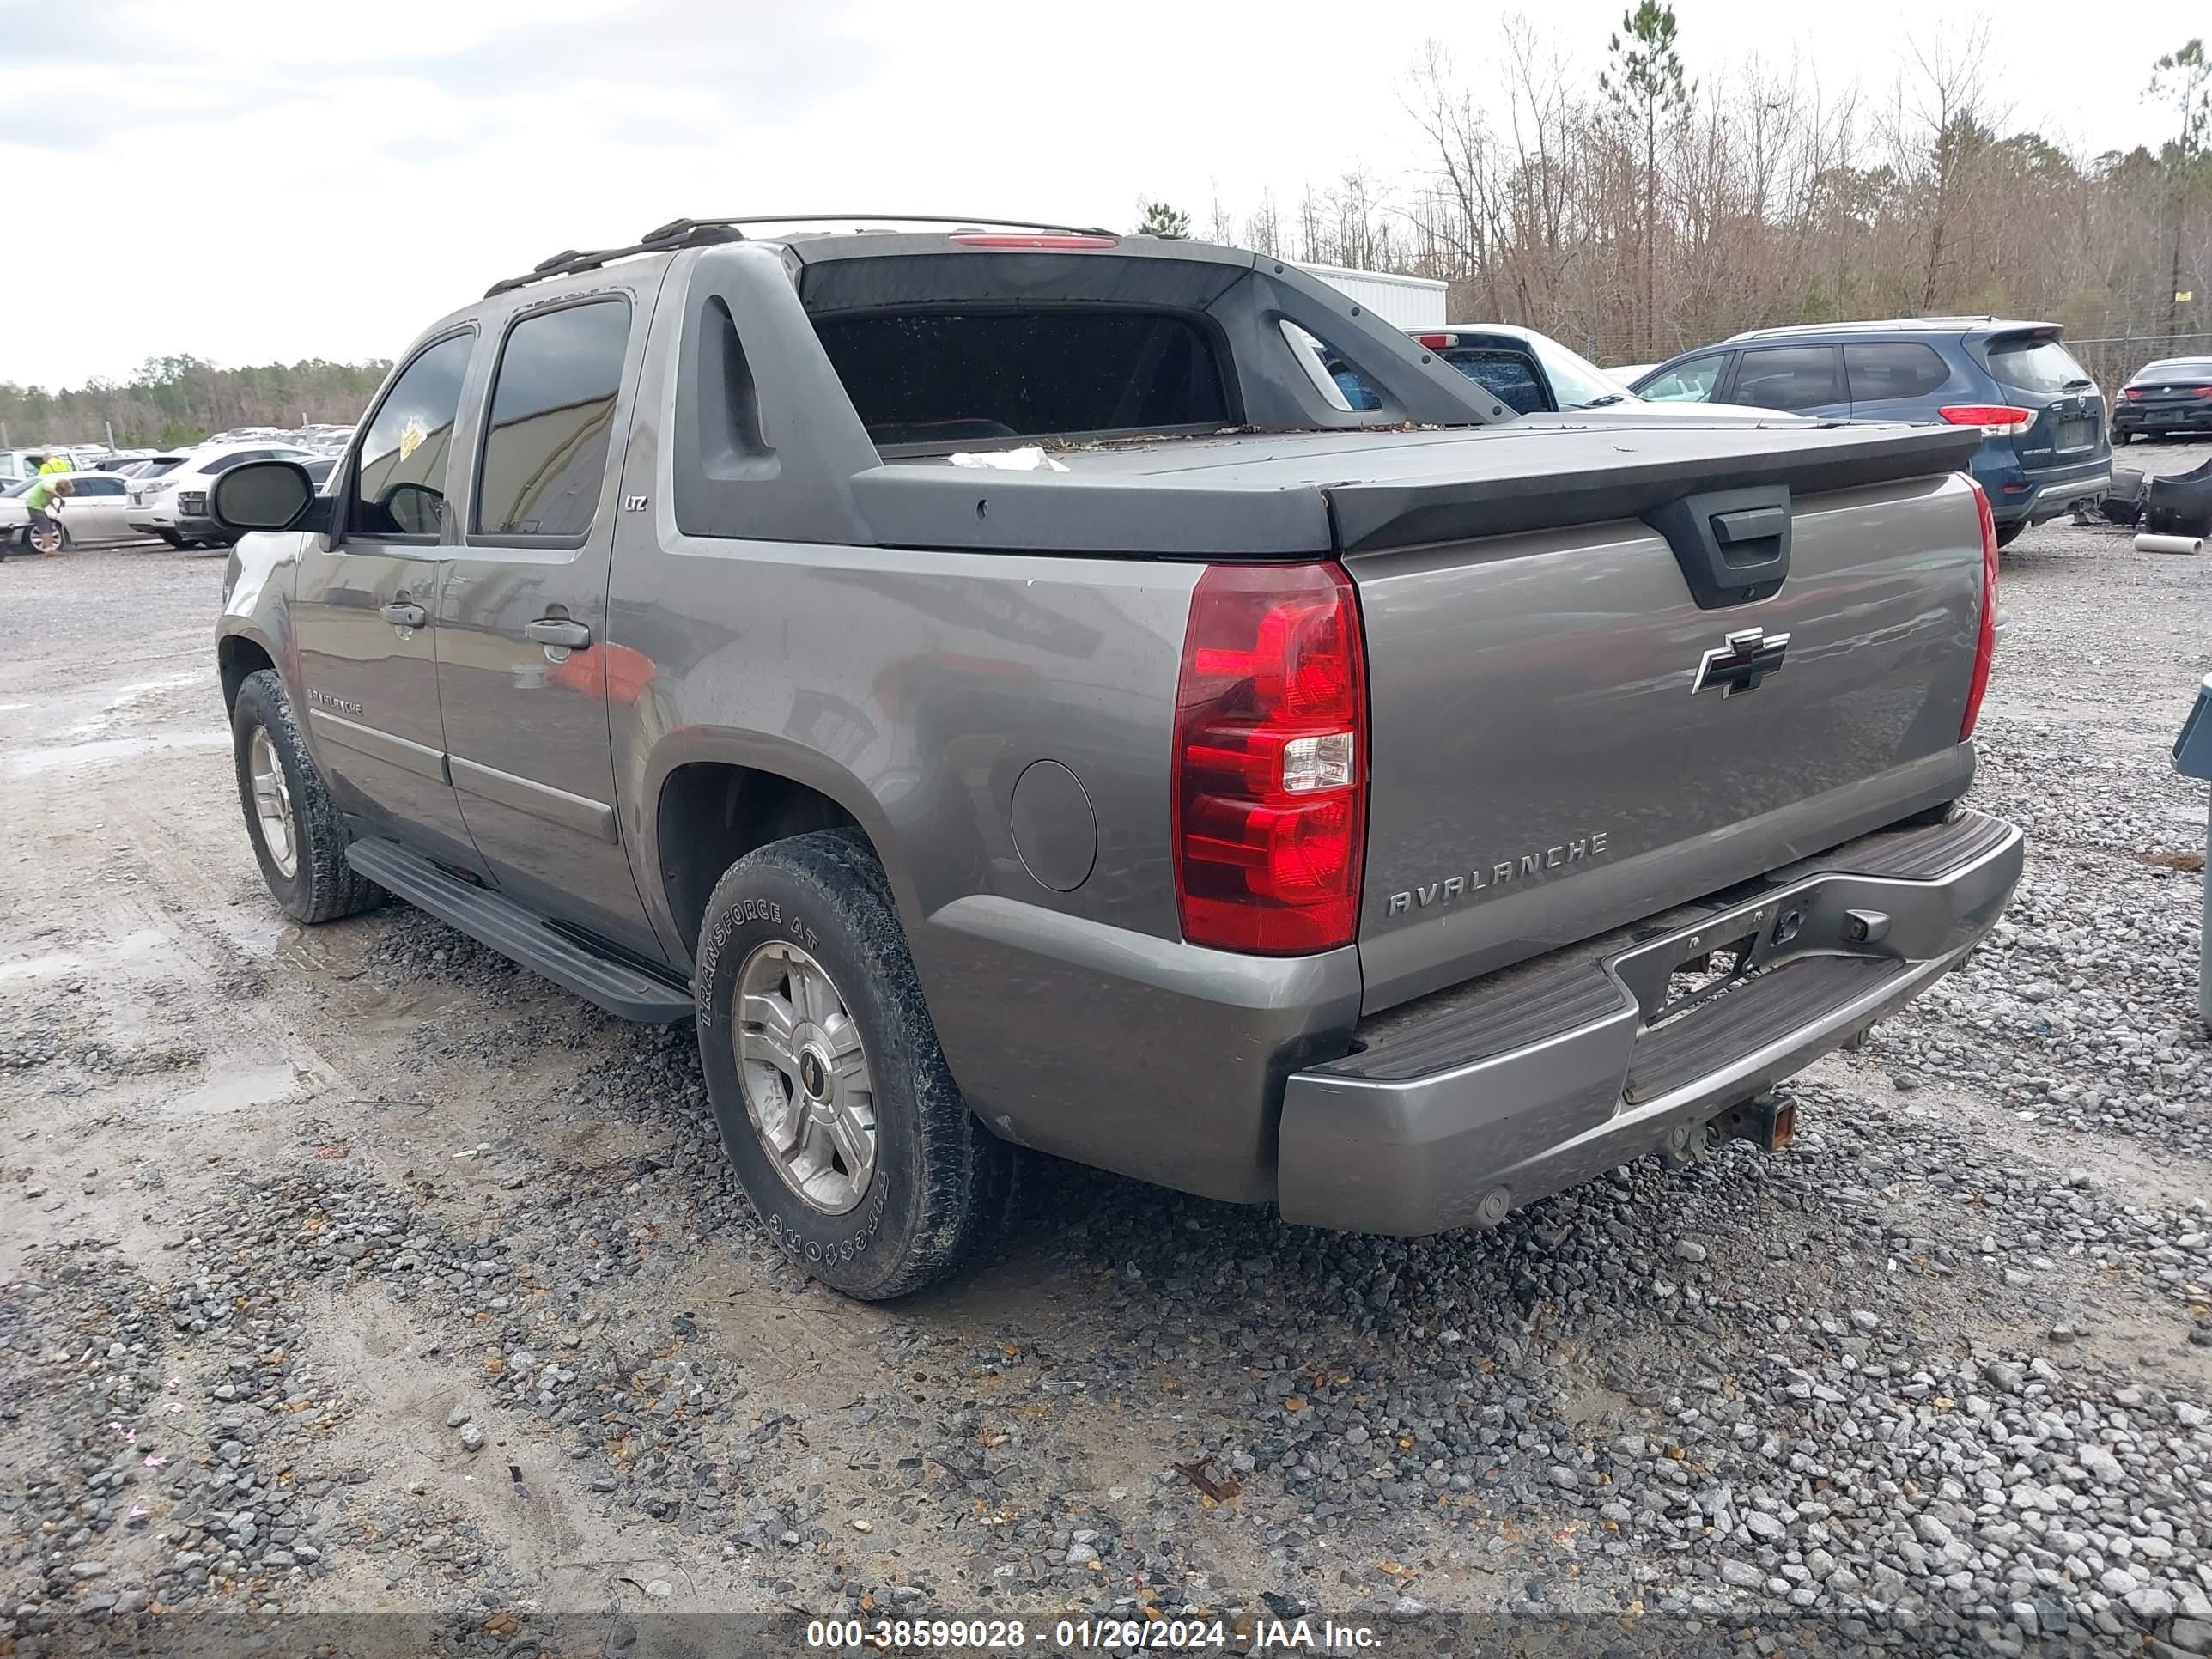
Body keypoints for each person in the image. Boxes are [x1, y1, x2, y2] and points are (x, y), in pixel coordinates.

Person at [23, 472, 72, 555]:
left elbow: (48, 497)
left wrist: (54, 506)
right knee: (45, 526)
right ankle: (49, 550)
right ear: (61, 488)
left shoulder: (53, 487)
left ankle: (49, 549)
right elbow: (49, 490)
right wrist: (60, 498)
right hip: (34, 506)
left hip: (37, 507)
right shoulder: (50, 483)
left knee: (48, 525)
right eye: (62, 493)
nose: (62, 495)